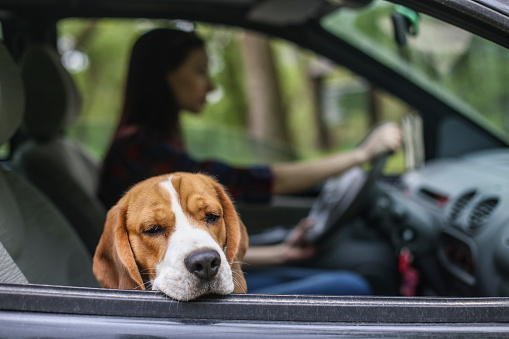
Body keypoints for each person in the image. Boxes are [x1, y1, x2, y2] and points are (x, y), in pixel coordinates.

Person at [97, 28, 402, 295]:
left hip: (203, 274)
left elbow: (196, 241)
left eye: (211, 216)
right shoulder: (142, 150)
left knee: (339, 277)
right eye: (201, 70)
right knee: (354, 286)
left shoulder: (152, 143)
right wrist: (361, 155)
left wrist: (280, 253)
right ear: (165, 75)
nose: (212, 86)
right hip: (175, 285)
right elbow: (255, 181)